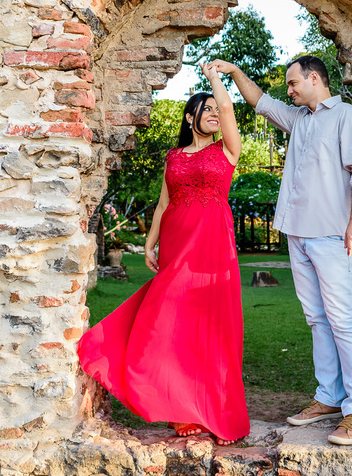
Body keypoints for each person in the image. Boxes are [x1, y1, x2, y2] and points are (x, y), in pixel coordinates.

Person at [211, 55, 352, 446]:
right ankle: (329, 397)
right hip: (298, 234)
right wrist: (235, 72)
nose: (287, 91)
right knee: (317, 320)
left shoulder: (347, 117)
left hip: (332, 234)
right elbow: (260, 102)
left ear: (315, 79)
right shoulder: (299, 118)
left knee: (343, 319)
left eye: (292, 83)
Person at [77, 62, 249, 446]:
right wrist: (151, 243)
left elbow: (227, 110)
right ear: (189, 117)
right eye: (203, 110)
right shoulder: (173, 156)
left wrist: (216, 80)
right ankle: (180, 407)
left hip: (213, 245)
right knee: (171, 321)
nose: (211, 115)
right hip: (176, 241)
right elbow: (161, 205)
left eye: (213, 111)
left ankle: (215, 414)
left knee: (214, 328)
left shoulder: (228, 151)